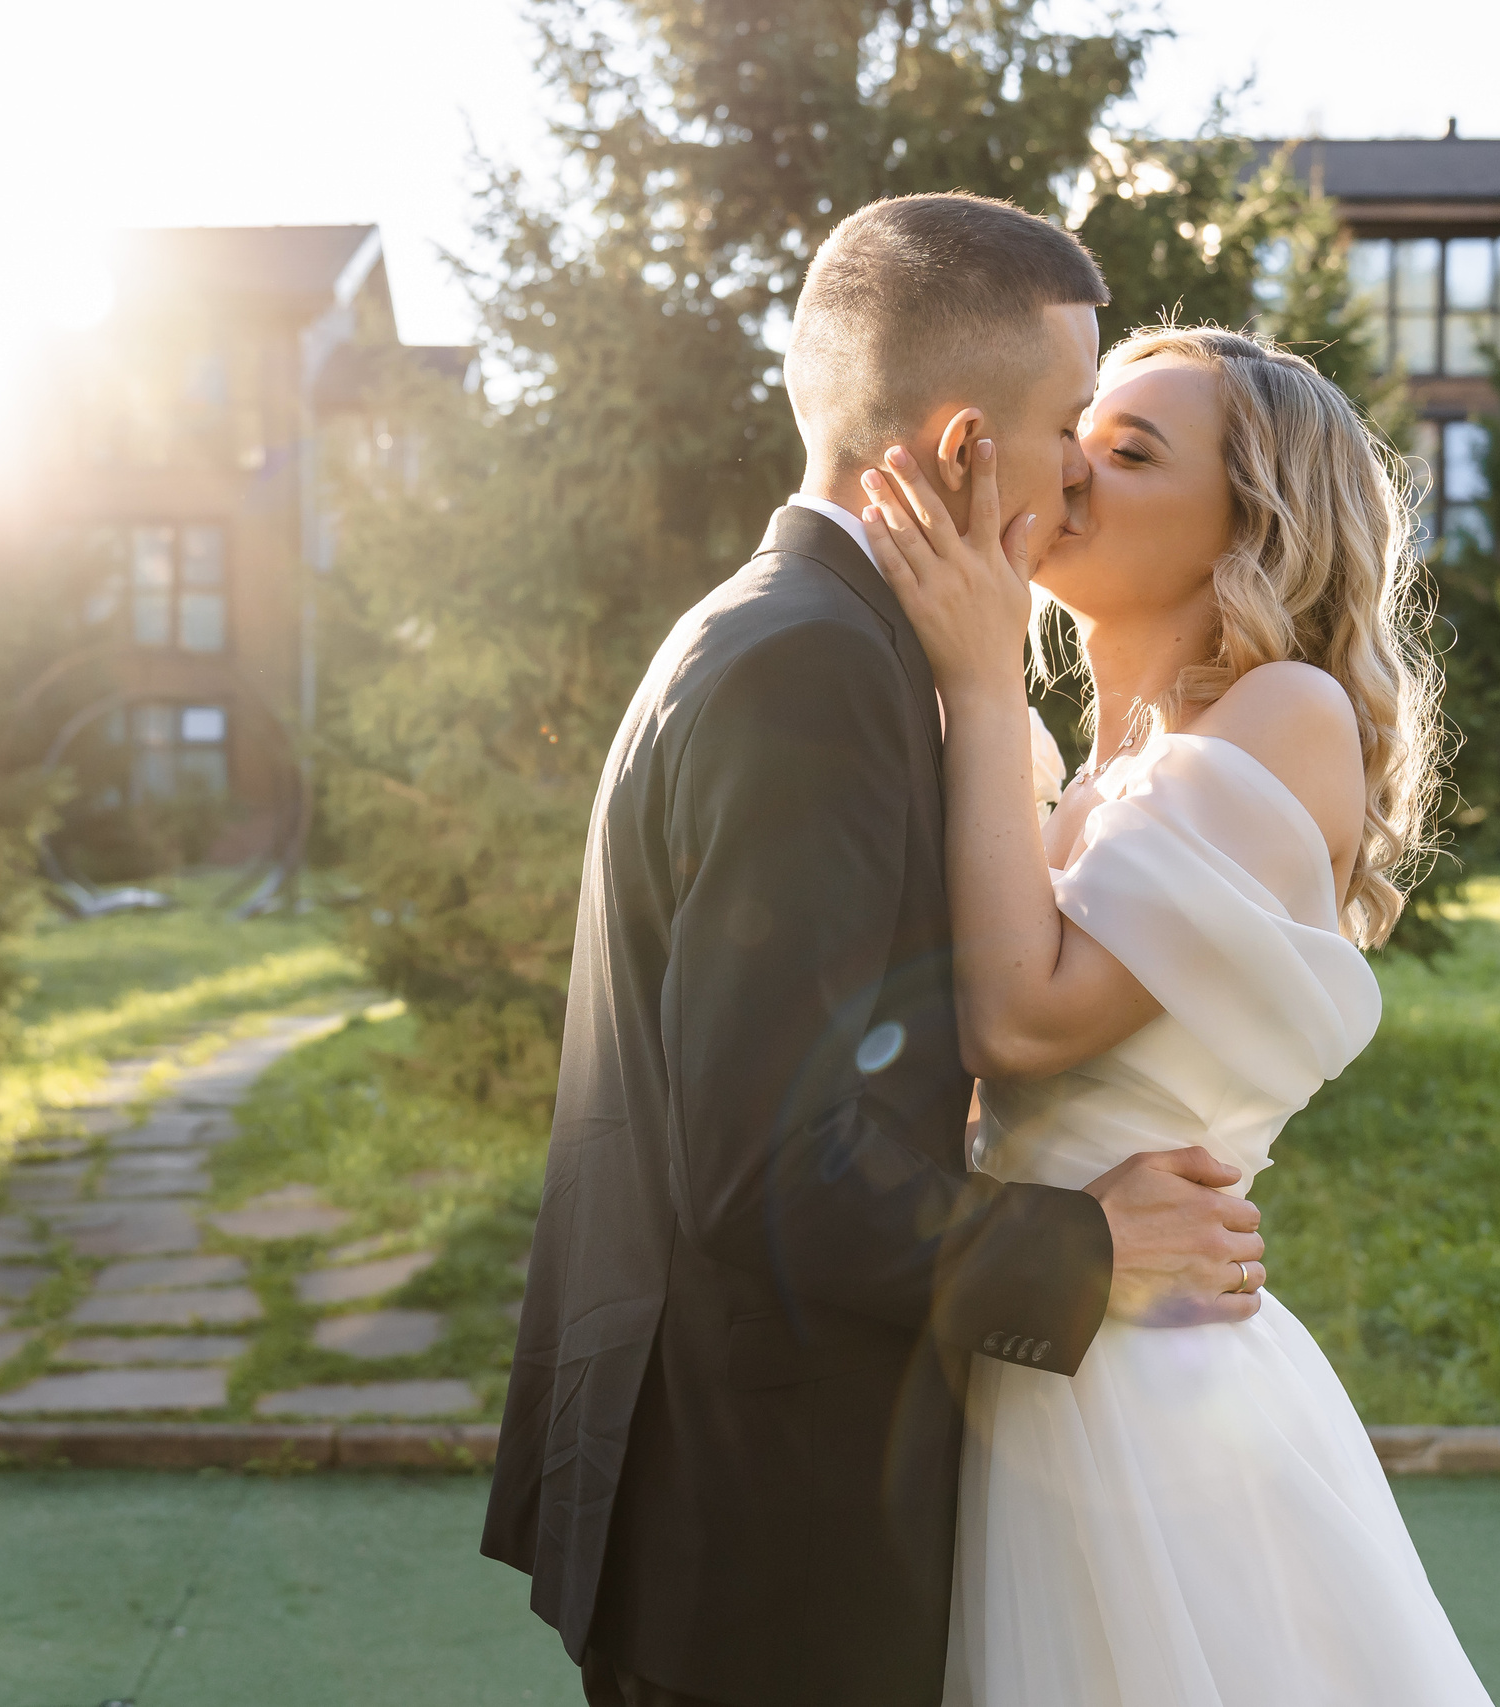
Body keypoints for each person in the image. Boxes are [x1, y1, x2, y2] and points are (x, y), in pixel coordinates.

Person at [482, 195, 1269, 1707]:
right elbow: (771, 1169)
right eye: (1068, 430)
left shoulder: (783, 626)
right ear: (966, 447)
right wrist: (1092, 1247)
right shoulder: (814, 670)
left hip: (730, 1505)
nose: (1078, 474)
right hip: (766, 1542)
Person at [862, 324, 1494, 1705]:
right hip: (1029, 1345)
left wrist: (978, 677)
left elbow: (1020, 1026)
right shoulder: (1078, 776)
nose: (1071, 470)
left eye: (1133, 452)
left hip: (1150, 1402)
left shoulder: (1286, 713)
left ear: (1250, 528)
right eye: (1080, 433)